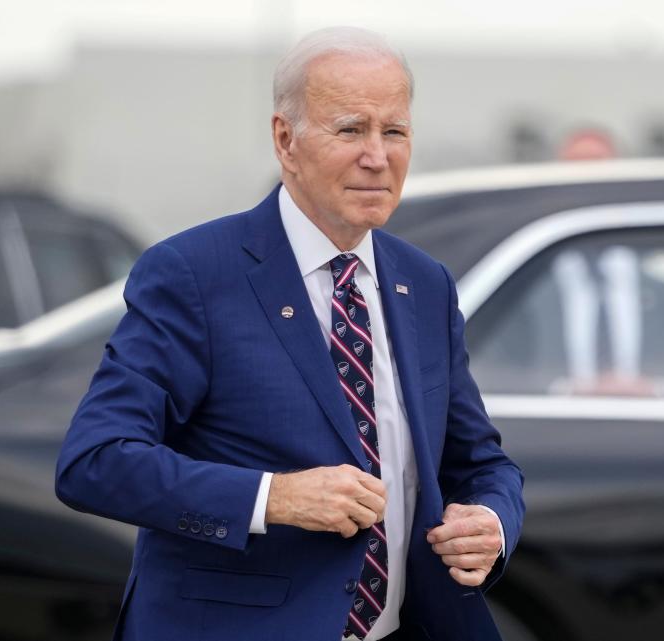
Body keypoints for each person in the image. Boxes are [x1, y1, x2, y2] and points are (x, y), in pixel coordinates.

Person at [55, 26, 524, 641]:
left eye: (395, 132)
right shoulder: (195, 274)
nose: (377, 156)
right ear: (286, 139)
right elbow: (94, 462)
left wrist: (492, 521)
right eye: (351, 129)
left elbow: (481, 462)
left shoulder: (424, 284)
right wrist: (272, 499)